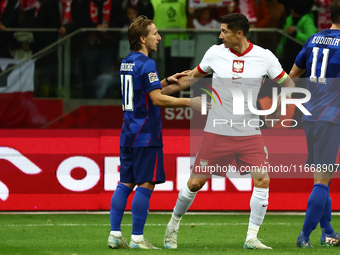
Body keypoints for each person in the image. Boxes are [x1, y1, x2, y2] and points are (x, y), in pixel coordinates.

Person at [162, 13, 296, 250]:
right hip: (217, 131)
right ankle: (172, 227)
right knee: (194, 184)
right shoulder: (215, 53)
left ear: (239, 33)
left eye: (224, 31)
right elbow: (190, 78)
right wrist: (156, 90)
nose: (220, 35)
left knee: (263, 179)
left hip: (250, 132)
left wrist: (280, 107)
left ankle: (252, 238)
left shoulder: (264, 57)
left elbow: (288, 83)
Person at [107, 15, 205, 250]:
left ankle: (114, 234)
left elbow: (144, 89)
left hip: (128, 132)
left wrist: (164, 80)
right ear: (142, 38)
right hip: (146, 134)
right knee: (146, 184)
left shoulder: (127, 62)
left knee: (125, 183)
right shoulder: (147, 63)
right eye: (154, 34)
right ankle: (138, 239)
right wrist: (189, 103)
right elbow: (156, 99)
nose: (159, 38)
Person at [289, 0, 340, 248]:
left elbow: (292, 76)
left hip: (309, 116)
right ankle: (304, 236)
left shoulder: (313, 39)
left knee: (321, 178)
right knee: (322, 179)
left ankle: (328, 231)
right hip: (332, 118)